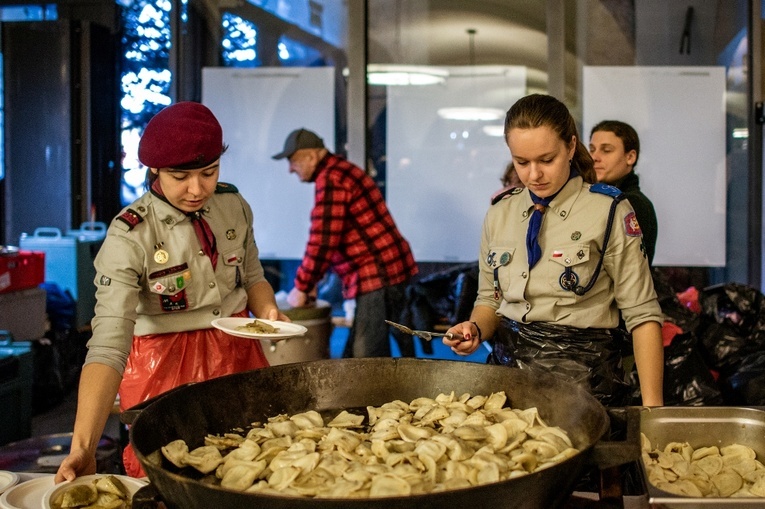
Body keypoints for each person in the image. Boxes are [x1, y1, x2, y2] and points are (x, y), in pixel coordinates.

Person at [55, 102, 288, 482]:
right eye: (180, 176)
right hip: (162, 363)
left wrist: (268, 311)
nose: (197, 189)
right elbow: (109, 345)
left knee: (254, 463)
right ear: (154, 170)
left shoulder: (233, 206)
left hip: (236, 350)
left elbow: (252, 275)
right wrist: (83, 447)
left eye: (209, 173)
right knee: (172, 475)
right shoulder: (129, 236)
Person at [443, 94, 664, 407]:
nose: (534, 175)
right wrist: (475, 328)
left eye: (547, 160)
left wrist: (653, 413)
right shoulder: (500, 213)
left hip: (584, 384)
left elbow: (642, 315)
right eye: (522, 162)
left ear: (571, 147)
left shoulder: (609, 210)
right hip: (506, 382)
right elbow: (489, 298)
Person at [272, 128, 418, 358]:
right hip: (387, 270)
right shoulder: (339, 171)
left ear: (310, 156)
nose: (290, 169)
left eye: (293, 161)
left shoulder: (331, 178)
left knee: (367, 360)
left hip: (376, 274)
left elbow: (323, 239)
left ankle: (381, 394)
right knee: (357, 356)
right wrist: (311, 282)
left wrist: (301, 285)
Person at [589, 120, 658, 266]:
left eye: (606, 150)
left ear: (630, 157)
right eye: (592, 149)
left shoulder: (633, 204)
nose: (595, 157)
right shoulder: (594, 198)